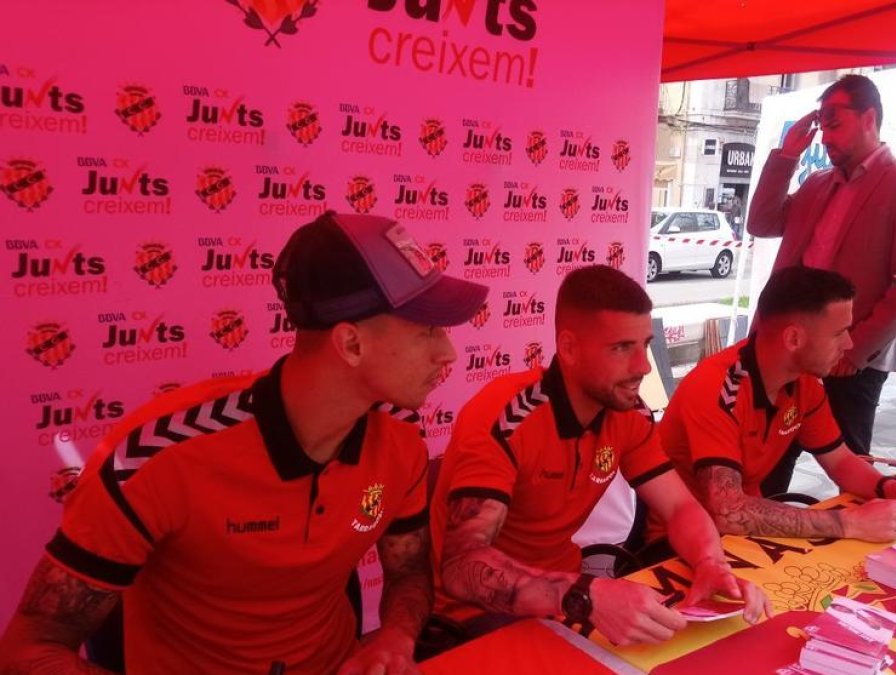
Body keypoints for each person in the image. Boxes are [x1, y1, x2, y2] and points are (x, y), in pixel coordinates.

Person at [0, 212, 488, 674]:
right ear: (351, 344)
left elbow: (407, 574)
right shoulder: (156, 457)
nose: (447, 353)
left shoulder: (400, 441)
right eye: (427, 330)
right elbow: (29, 648)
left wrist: (395, 637)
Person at [429, 265, 769, 649]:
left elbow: (679, 508)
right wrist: (587, 596)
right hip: (474, 618)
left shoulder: (629, 413)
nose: (643, 366)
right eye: (622, 348)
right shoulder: (504, 418)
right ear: (570, 348)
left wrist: (711, 564)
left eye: (645, 344)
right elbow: (462, 566)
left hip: (568, 604)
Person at [642, 265, 896, 550]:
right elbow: (728, 511)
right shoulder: (716, 389)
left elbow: (840, 461)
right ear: (793, 338)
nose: (849, 343)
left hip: (742, 540)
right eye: (839, 333)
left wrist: (891, 487)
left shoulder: (803, 383)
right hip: (676, 548)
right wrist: (846, 523)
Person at [748, 74, 896, 488]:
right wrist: (785, 157)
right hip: (789, 353)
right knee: (766, 465)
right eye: (823, 126)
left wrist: (857, 349)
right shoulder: (817, 184)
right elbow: (761, 222)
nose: (826, 136)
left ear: (869, 118)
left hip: (850, 360)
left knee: (853, 470)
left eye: (834, 124)